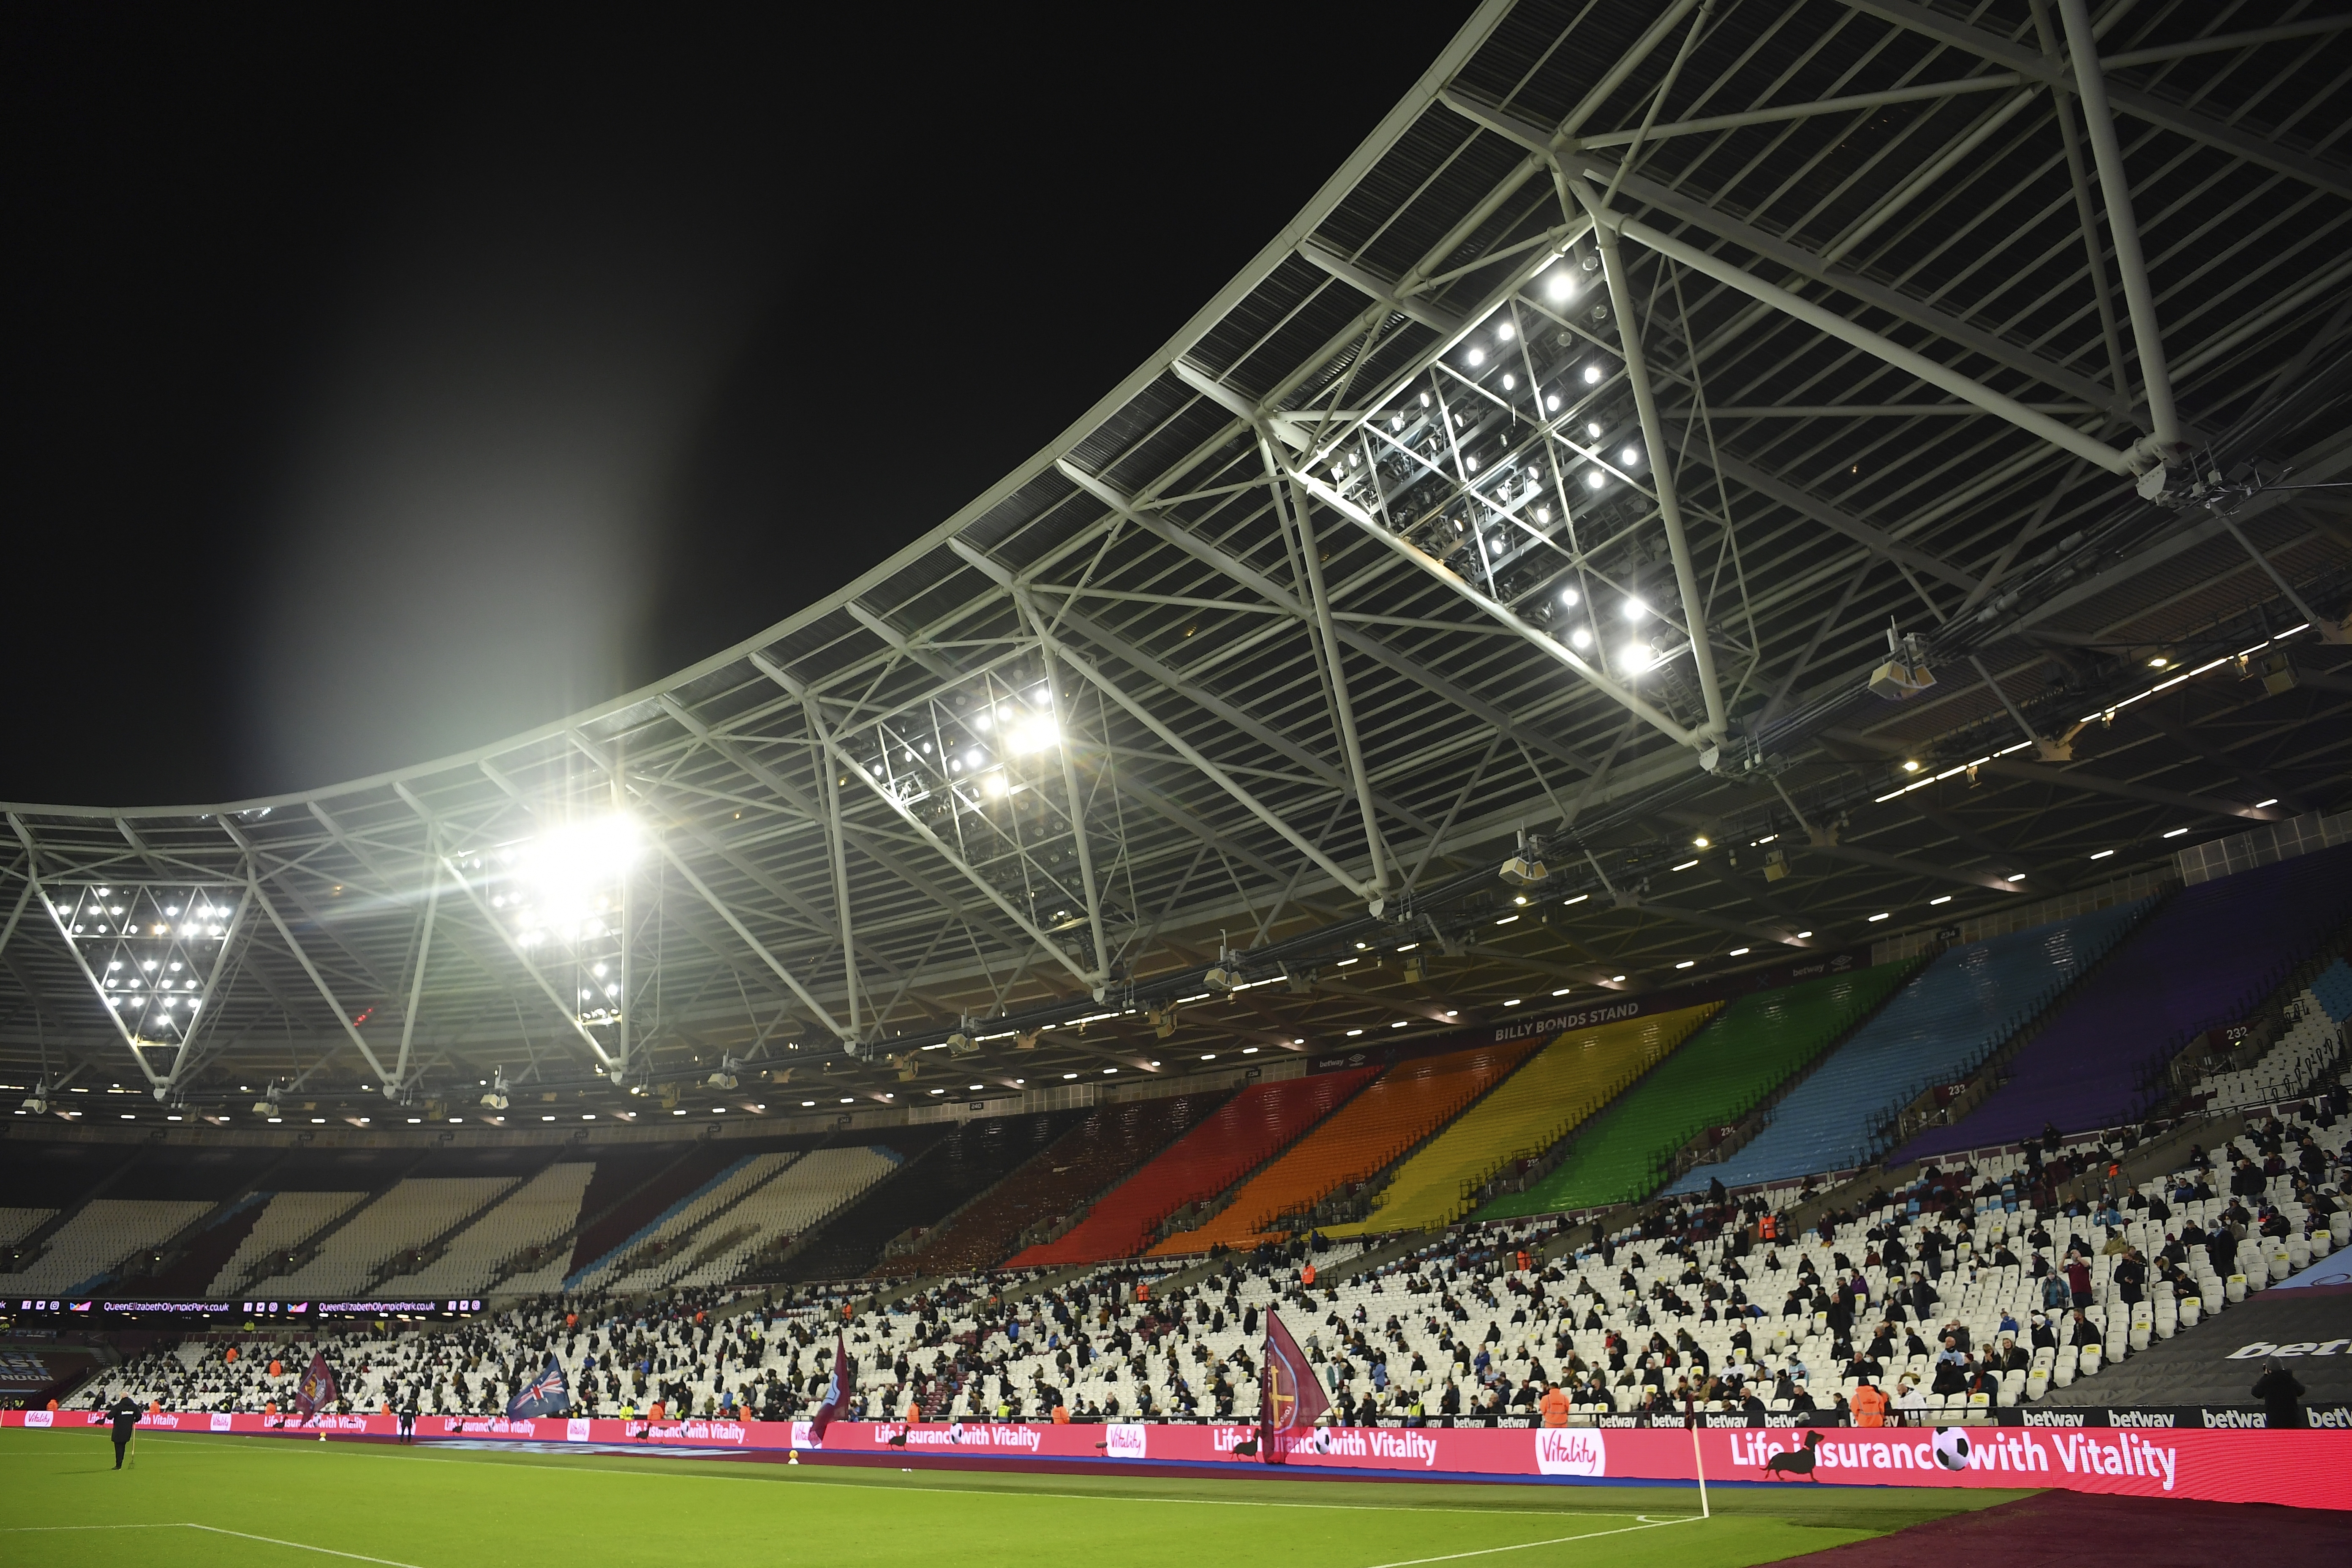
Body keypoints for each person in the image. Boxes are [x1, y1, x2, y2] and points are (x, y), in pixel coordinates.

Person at [2251, 1357, 2308, 1429]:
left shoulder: (2267, 1381)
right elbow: (2301, 1391)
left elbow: (2256, 1393)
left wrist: (2265, 1375)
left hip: (2275, 1421)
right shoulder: (2289, 1379)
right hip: (2292, 1419)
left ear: (2269, 1370)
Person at [109, 1394, 140, 1470]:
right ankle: (119, 1464)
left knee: (118, 1447)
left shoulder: (118, 1406)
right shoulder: (134, 1406)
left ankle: (119, 1465)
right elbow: (139, 1416)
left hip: (118, 1430)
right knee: (123, 1446)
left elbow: (110, 1416)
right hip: (127, 1431)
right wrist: (134, 1420)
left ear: (122, 1398)